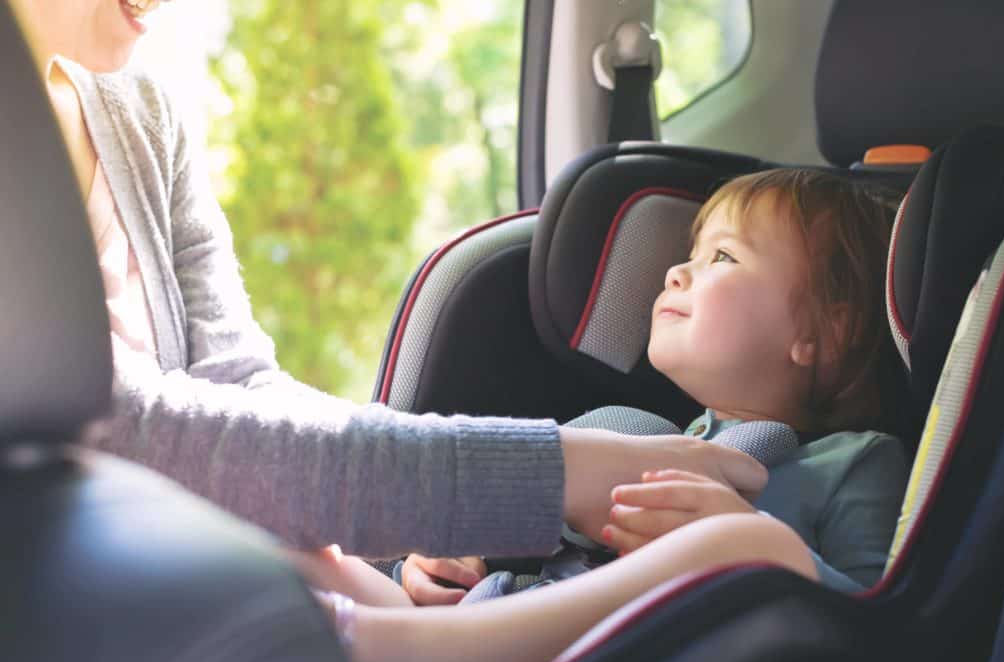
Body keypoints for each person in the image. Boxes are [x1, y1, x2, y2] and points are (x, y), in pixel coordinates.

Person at [9, 0, 765, 562]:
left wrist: (412, 537)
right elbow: (127, 432)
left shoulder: (141, 116)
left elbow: (238, 385)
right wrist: (555, 469)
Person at [301, 168, 911, 662]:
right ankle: (348, 631)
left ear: (825, 332)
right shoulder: (618, 435)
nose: (676, 272)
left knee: (752, 548)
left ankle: (378, 648)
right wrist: (430, 566)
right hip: (485, 627)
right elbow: (498, 556)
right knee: (299, 555)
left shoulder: (854, 463)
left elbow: (869, 634)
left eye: (722, 256)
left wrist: (746, 548)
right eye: (688, 254)